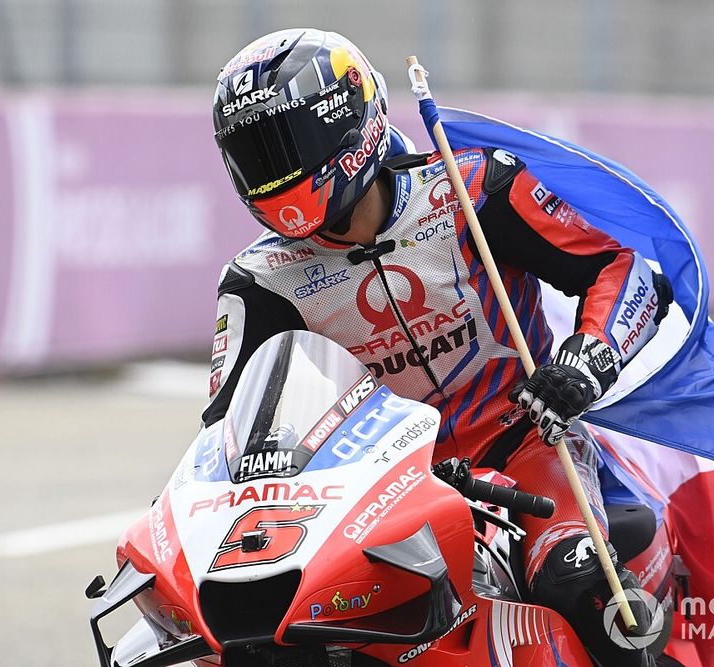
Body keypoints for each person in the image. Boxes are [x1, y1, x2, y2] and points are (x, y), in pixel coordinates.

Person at [205, 28, 672, 666]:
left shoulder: (473, 190)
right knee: (267, 630)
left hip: (525, 445)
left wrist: (587, 361)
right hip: (370, 486)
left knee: (582, 583)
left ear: (345, 126)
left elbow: (629, 272)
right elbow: (226, 430)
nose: (269, 171)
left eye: (282, 146)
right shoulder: (256, 281)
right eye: (252, 155)